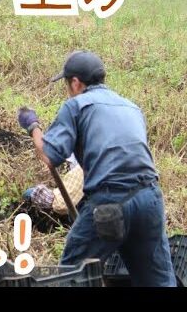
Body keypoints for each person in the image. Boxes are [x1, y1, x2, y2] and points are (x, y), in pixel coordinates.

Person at [17, 50, 175, 286]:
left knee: (71, 274)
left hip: (111, 202)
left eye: (67, 84)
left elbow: (50, 156)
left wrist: (33, 126)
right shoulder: (131, 107)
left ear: (75, 82)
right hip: (150, 200)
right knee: (157, 280)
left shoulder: (76, 106)